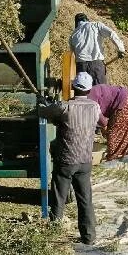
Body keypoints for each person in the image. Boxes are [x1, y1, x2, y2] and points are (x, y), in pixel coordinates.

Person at [40, 72, 101, 245]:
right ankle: (89, 237)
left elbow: (44, 112)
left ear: (73, 87)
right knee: (85, 199)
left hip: (65, 161)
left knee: (59, 198)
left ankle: (53, 235)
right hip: (85, 162)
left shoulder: (65, 107)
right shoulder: (95, 107)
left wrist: (43, 104)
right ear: (89, 89)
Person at [69, 13, 126, 85]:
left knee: (84, 93)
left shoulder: (73, 34)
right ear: (87, 20)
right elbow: (111, 33)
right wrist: (121, 49)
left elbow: (72, 55)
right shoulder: (96, 25)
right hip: (96, 66)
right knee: (100, 92)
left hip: (81, 67)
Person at [88, 83, 128, 161]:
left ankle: (113, 158)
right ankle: (125, 154)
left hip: (124, 103)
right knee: (127, 131)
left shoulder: (90, 97)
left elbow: (98, 115)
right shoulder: (96, 89)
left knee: (113, 133)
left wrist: (104, 126)